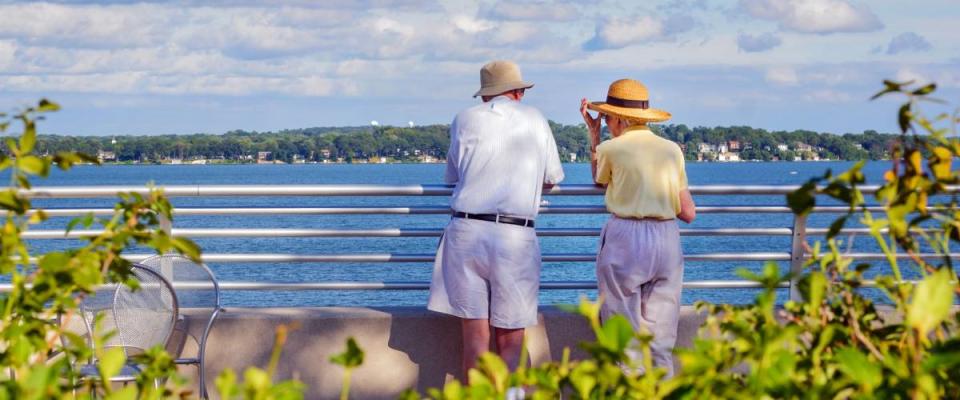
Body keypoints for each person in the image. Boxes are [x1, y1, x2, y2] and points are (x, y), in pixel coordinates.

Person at [428, 60, 565, 379]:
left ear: (486, 95)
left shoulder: (463, 119)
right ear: (518, 92)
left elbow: (453, 176)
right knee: (511, 345)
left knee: (474, 344)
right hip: (514, 236)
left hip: (466, 231)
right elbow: (553, 177)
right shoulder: (534, 118)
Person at [580, 78, 695, 377]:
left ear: (618, 118)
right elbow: (688, 211)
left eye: (605, 117)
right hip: (667, 238)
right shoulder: (672, 150)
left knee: (625, 339)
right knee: (660, 341)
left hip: (626, 238)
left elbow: (599, 179)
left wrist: (594, 137)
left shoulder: (611, 148)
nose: (604, 122)